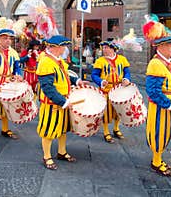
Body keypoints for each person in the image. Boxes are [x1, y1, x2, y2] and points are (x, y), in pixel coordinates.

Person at [143, 14, 171, 177]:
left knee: (165, 133)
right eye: (170, 46)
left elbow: (168, 85)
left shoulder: (167, 63)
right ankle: (156, 162)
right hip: (160, 107)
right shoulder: (155, 64)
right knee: (158, 133)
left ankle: (158, 159)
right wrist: (168, 104)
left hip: (167, 106)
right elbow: (153, 91)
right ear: (160, 47)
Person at [36, 35, 88, 170]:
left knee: (63, 129)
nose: (65, 49)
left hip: (63, 100)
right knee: (48, 130)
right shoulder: (46, 63)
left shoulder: (57, 60)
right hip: (52, 103)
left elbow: (65, 75)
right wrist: (63, 101)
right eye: (63, 47)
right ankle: (47, 156)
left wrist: (77, 81)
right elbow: (48, 88)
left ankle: (61, 152)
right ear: (55, 48)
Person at [91, 40, 131, 143]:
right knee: (106, 111)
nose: (104, 49)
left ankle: (116, 128)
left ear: (113, 49)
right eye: (103, 48)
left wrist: (126, 79)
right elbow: (94, 75)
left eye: (106, 47)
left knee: (119, 110)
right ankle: (106, 131)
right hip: (106, 90)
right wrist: (101, 81)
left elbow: (127, 72)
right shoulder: (100, 61)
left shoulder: (122, 59)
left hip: (119, 89)